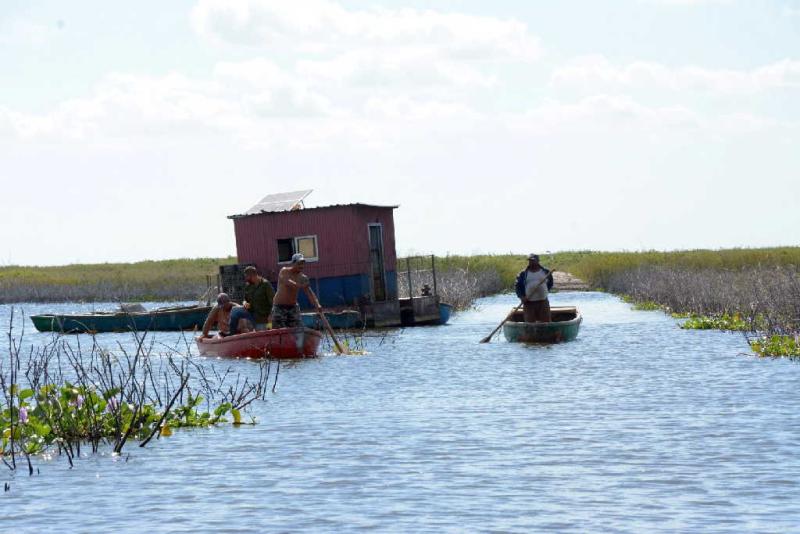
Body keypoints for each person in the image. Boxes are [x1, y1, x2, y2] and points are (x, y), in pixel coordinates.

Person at [272, 253, 314, 328]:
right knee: (279, 330)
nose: (301, 266)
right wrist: (301, 286)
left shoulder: (303, 277)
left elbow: (309, 292)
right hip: (279, 307)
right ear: (293, 263)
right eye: (299, 264)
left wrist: (317, 305)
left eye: (302, 264)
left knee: (298, 330)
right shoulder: (284, 271)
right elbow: (288, 282)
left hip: (293, 307)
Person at [515, 254, 554, 323]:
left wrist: (544, 292)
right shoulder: (523, 273)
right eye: (530, 261)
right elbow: (518, 286)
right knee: (530, 324)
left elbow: (550, 283)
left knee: (546, 322)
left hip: (543, 302)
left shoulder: (545, 272)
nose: (531, 262)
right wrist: (522, 297)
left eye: (533, 260)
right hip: (529, 303)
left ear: (538, 261)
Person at [243, 266, 275, 330]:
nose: (246, 279)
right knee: (259, 338)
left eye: (247, 277)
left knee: (269, 337)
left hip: (267, 320)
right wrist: (245, 303)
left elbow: (274, 301)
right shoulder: (248, 286)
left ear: (252, 275)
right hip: (255, 320)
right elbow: (245, 299)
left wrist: (271, 315)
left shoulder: (265, 284)